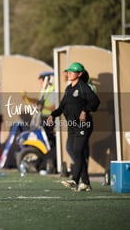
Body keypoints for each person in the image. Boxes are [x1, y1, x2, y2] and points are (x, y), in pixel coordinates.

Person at [46, 62, 100, 192]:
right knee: (76, 151)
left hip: (83, 125)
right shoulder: (69, 88)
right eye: (68, 71)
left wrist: (85, 111)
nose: (69, 73)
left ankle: (74, 180)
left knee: (77, 150)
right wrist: (52, 115)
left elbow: (95, 102)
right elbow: (62, 107)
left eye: (72, 71)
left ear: (79, 74)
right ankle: (86, 183)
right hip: (72, 126)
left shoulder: (83, 87)